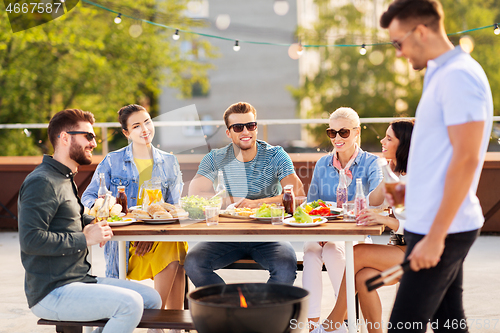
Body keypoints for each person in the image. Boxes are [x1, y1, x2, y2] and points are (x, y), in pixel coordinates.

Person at [380, 1, 493, 332]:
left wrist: (436, 236)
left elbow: (467, 157)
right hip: (432, 224)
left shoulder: (459, 76)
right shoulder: (441, 73)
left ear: (421, 31)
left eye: (398, 42)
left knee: (403, 326)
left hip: (442, 229)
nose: (398, 53)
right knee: (449, 325)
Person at [18, 109, 161, 333]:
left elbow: (71, 219)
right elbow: (31, 240)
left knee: (151, 299)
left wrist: (101, 219)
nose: (94, 143)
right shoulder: (42, 181)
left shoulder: (65, 178)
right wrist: (85, 238)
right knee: (129, 304)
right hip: (52, 290)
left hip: (80, 279)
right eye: (88, 136)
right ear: (65, 137)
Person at [184, 101, 304, 287]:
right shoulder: (215, 157)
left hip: (268, 235)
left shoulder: (276, 155)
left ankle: (265, 313)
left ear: (256, 128)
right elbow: (195, 195)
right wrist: (233, 201)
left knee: (285, 266)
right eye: (238, 127)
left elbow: (298, 195)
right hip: (226, 235)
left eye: (251, 125)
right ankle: (231, 309)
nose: (246, 132)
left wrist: (256, 203)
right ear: (228, 132)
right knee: (193, 262)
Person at [310, 119, 414, 333]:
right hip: (400, 248)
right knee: (364, 278)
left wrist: (386, 220)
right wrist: (386, 174)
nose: (382, 141)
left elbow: (418, 225)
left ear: (403, 144)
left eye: (389, 138)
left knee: (357, 254)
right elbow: (372, 202)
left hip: (418, 253)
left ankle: (330, 326)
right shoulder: (397, 174)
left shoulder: (416, 178)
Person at [82, 104, 187, 313]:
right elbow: (89, 197)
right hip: (126, 244)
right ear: (126, 133)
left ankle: (166, 323)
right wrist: (107, 208)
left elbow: (175, 208)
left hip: (159, 238)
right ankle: (163, 321)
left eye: (147, 122)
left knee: (175, 244)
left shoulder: (169, 161)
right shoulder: (113, 161)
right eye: (137, 126)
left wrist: (151, 234)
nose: (145, 129)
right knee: (176, 249)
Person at [303, 107, 384, 329]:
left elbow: (378, 202)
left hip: (355, 234)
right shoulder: (322, 163)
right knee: (310, 252)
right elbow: (311, 203)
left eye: (344, 132)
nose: (337, 138)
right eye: (332, 132)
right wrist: (318, 230)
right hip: (322, 230)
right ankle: (313, 325)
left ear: (357, 132)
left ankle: (345, 321)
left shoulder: (371, 163)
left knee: (331, 249)